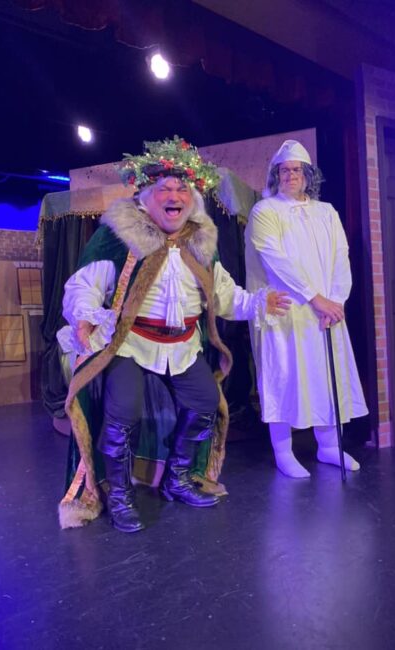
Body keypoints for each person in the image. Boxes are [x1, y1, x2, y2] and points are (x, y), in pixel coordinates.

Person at [57, 136, 290, 532]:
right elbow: (85, 285)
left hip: (181, 344)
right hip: (129, 341)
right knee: (122, 412)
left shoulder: (201, 243)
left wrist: (257, 303)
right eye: (163, 187)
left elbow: (222, 294)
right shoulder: (119, 238)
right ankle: (118, 495)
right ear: (146, 198)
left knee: (203, 401)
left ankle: (177, 479)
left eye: (182, 188)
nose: (173, 194)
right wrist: (83, 314)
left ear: (192, 199)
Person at [244, 139, 368, 478]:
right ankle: (283, 451)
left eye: (296, 170)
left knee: (326, 377)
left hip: (327, 311)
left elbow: (341, 258)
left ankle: (329, 447)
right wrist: (315, 298)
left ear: (308, 174)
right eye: (284, 170)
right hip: (287, 311)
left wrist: (337, 302)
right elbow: (275, 261)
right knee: (284, 377)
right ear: (276, 175)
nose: (290, 175)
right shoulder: (265, 211)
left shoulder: (326, 212)